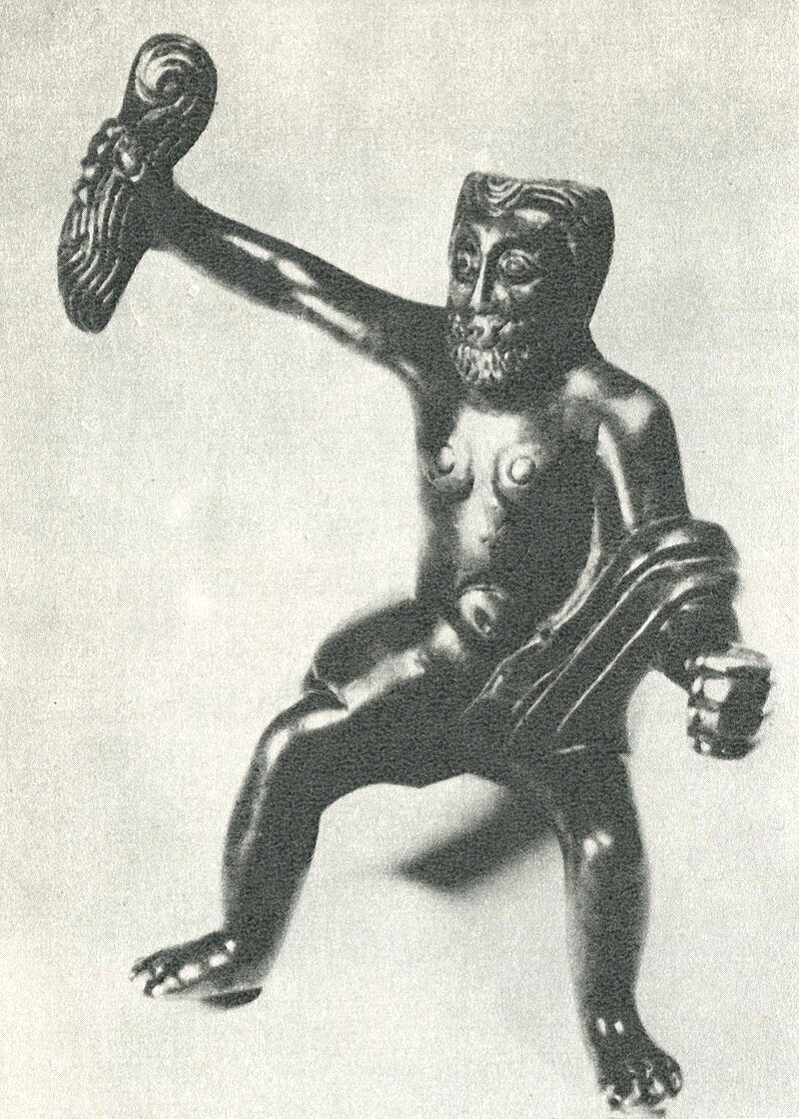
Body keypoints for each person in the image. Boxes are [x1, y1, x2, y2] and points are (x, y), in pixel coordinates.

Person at [58, 35, 770, 1111]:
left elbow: (664, 571)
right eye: (465, 261)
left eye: (513, 270)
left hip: (557, 697)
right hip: (435, 665)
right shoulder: (437, 352)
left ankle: (612, 1024)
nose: (479, 294)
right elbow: (297, 286)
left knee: (605, 843)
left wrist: (710, 665)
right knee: (294, 748)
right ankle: (246, 943)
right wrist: (165, 216)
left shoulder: (613, 412)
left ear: (576, 284)